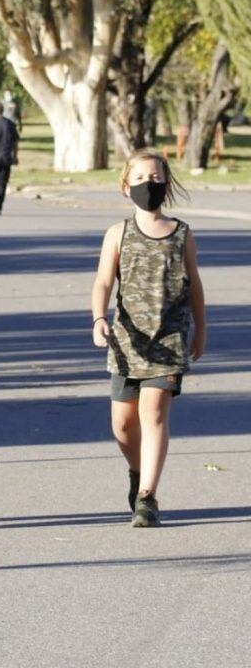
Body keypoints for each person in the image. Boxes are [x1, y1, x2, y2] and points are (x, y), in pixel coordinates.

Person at [91, 150, 206, 527]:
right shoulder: (118, 233)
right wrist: (98, 317)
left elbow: (195, 286)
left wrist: (201, 329)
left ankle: (147, 497)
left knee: (153, 414)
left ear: (166, 183)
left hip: (169, 340)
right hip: (128, 342)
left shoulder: (182, 234)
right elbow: (104, 281)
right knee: (123, 425)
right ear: (126, 186)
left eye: (155, 178)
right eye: (140, 178)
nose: (149, 185)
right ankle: (137, 472)